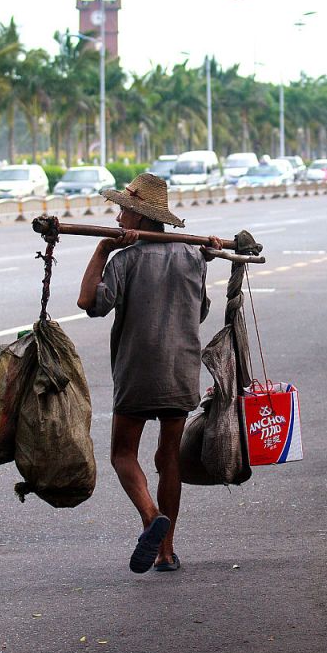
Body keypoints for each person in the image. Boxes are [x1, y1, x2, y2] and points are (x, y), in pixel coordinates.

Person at [77, 172, 222, 572]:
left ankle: (150, 517)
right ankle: (166, 552)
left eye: (124, 211)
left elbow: (88, 302)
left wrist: (103, 250)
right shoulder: (193, 257)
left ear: (140, 218)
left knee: (123, 454)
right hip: (181, 371)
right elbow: (200, 311)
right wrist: (204, 258)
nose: (118, 217)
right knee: (168, 457)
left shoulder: (124, 261)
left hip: (138, 372)